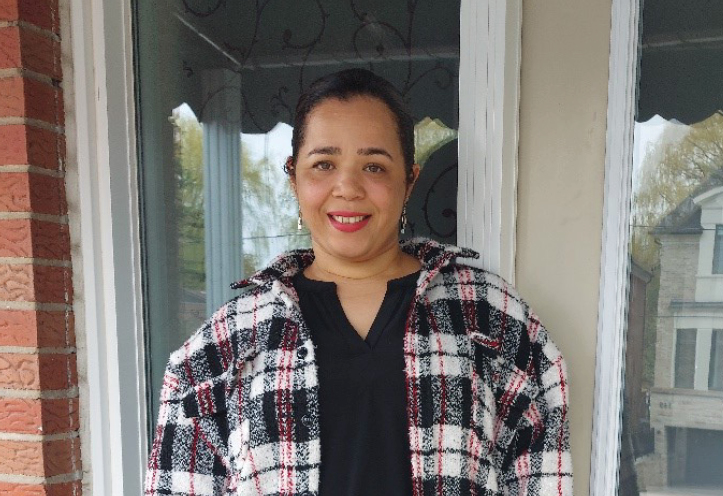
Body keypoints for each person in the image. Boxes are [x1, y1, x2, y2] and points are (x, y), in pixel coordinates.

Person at [145, 68, 572, 496]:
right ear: (294, 177)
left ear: (410, 181)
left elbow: (541, 478)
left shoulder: (492, 320)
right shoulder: (223, 347)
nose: (347, 187)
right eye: (323, 164)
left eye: (374, 165)